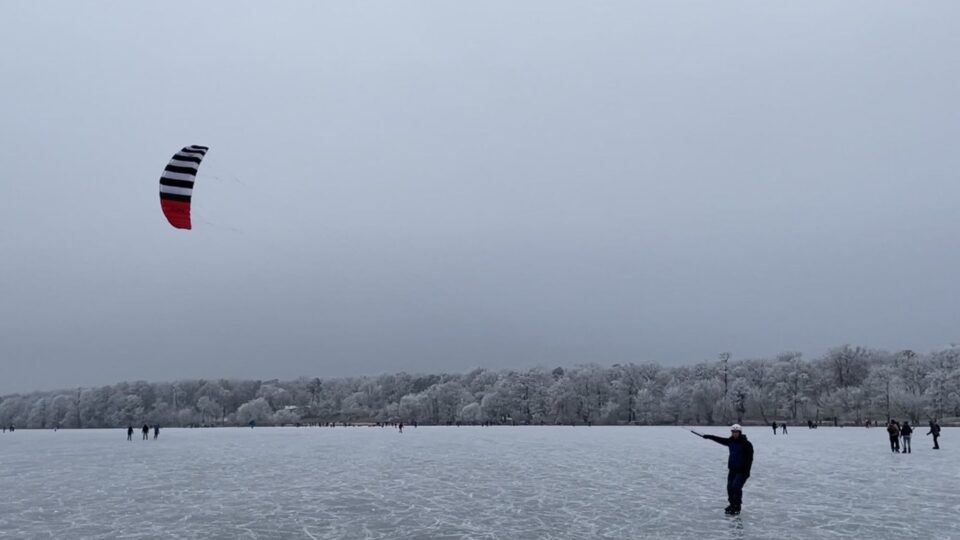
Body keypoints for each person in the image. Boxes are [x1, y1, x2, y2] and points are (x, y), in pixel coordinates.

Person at [700, 424, 754, 515]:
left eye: (736, 432)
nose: (734, 434)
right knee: (729, 488)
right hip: (732, 470)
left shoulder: (746, 444)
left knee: (736, 487)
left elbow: (750, 459)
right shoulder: (730, 441)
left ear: (740, 432)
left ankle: (737, 506)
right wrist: (709, 436)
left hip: (742, 471)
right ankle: (732, 504)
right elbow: (720, 439)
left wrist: (746, 471)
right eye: (733, 432)